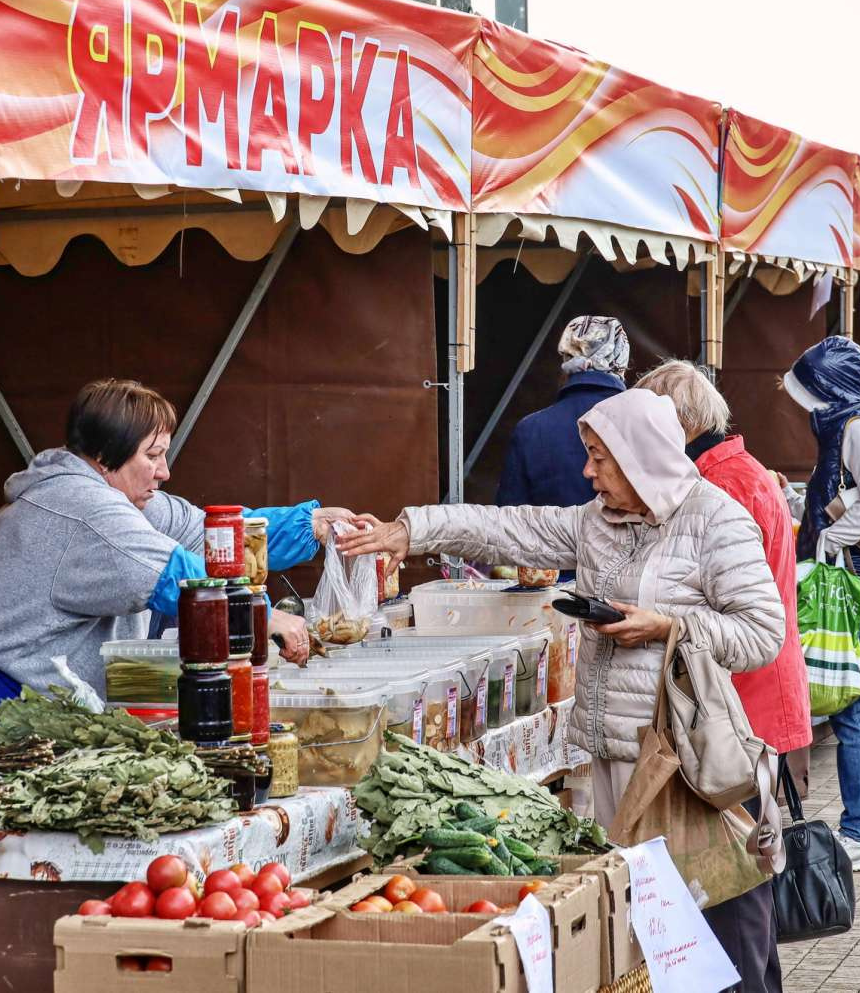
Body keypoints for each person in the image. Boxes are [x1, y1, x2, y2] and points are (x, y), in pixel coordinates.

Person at [338, 390, 786, 992]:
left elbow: (763, 634)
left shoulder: (716, 519)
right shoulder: (594, 524)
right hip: (611, 752)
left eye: (600, 458)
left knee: (716, 922)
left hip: (680, 763)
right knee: (644, 932)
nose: (587, 472)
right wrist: (408, 530)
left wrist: (667, 627)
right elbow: (504, 530)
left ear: (639, 457)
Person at [0, 378, 364, 716]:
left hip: (16, 696)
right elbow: (182, 581)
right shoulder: (86, 511)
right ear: (104, 457)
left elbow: (209, 533)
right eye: (153, 455)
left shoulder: (125, 502)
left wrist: (309, 525)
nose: (164, 472)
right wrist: (266, 615)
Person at [636, 360, 809, 992]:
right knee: (748, 898)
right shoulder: (743, 471)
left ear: (678, 425)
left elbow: (725, 620)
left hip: (740, 712)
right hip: (754, 703)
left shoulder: (722, 489)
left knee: (736, 895)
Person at [781, 336, 860, 868]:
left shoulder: (856, 429)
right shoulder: (852, 424)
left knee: (857, 704)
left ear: (828, 389)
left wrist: (834, 536)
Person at [496, 315, 628, 507]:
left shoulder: (530, 429)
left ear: (568, 358)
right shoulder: (646, 422)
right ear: (620, 358)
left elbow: (508, 517)